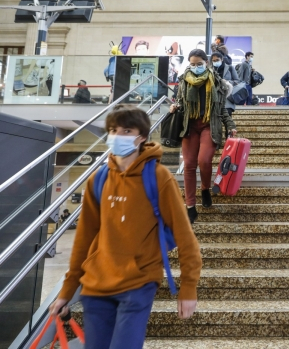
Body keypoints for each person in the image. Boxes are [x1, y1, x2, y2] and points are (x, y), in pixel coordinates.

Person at [49, 105, 202, 349]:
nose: (118, 136)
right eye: (113, 130)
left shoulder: (159, 177)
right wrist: (68, 289)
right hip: (96, 286)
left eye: (126, 130)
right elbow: (84, 238)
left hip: (138, 284)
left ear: (141, 136)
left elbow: (185, 237)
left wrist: (188, 288)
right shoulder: (98, 179)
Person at [170, 49, 238, 222]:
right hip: (189, 126)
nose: (195, 67)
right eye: (192, 64)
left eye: (199, 64)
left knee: (204, 160)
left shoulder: (217, 82)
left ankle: (206, 189)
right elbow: (179, 100)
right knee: (189, 165)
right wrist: (175, 106)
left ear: (206, 63)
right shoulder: (183, 80)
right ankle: (190, 205)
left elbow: (221, 109)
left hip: (209, 125)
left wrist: (230, 125)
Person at [211, 51, 240, 117]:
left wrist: (227, 82)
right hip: (215, 100)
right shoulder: (211, 70)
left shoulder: (230, 68)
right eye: (214, 60)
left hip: (227, 99)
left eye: (217, 60)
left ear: (222, 59)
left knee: (228, 120)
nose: (215, 62)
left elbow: (237, 81)